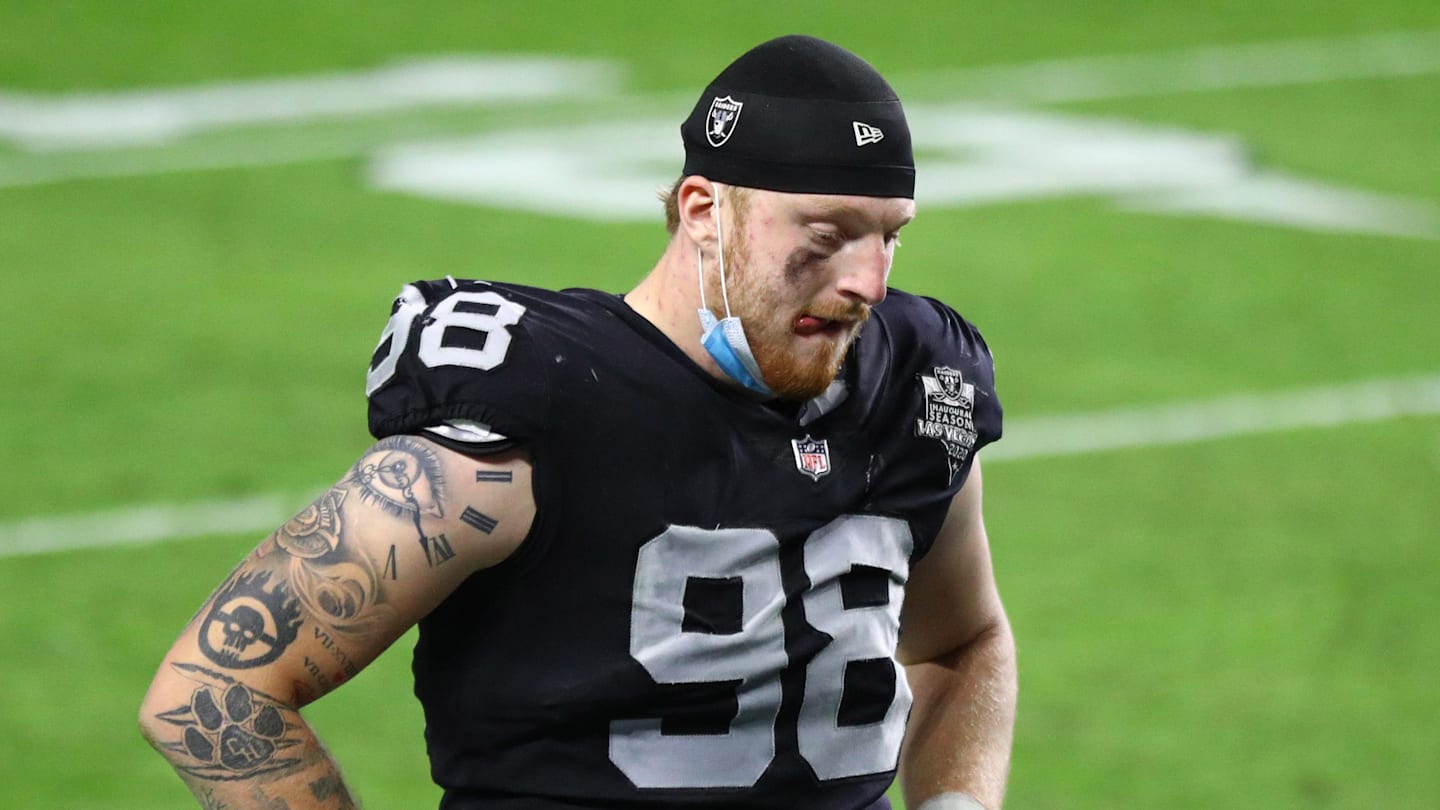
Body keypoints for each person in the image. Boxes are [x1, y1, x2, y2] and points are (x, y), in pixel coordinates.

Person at [140, 34, 1016, 810]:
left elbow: (964, 641)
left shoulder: (919, 385)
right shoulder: (539, 406)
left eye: (889, 236)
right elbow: (214, 687)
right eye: (827, 235)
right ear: (706, 211)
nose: (868, 280)